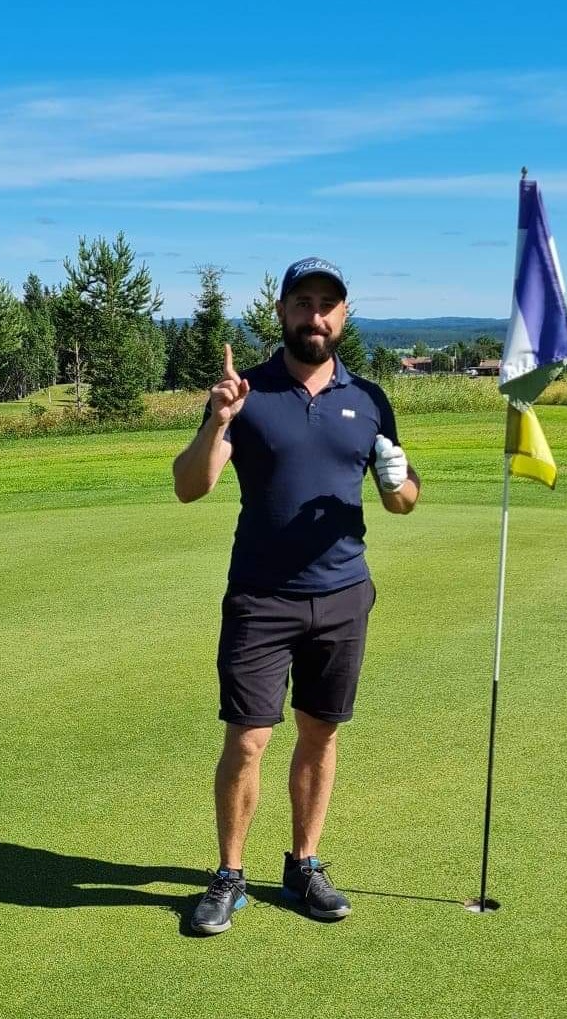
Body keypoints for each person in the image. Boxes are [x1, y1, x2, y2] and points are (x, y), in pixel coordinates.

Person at [172, 256, 420, 935]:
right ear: (281, 312)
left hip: (342, 595)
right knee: (248, 739)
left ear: (343, 317)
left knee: (320, 732)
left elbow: (402, 502)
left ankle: (303, 865)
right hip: (261, 597)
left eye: (327, 305)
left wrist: (397, 479)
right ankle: (229, 875)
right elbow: (190, 485)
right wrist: (217, 422)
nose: (315, 315)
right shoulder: (243, 391)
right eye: (302, 302)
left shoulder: (368, 399)